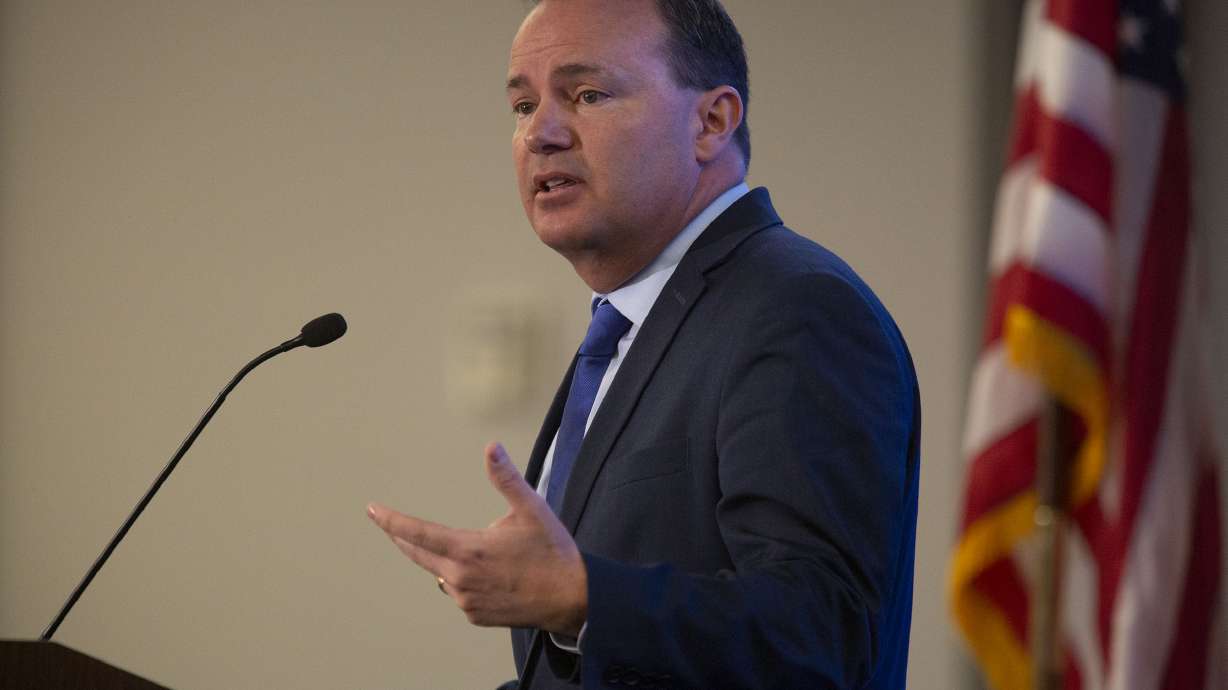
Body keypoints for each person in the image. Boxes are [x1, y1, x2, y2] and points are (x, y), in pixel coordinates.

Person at [367, 1, 920, 688]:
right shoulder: (630, 325)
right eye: (521, 104)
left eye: (588, 94)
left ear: (711, 122)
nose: (540, 132)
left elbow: (822, 635)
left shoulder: (796, 307)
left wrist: (582, 596)